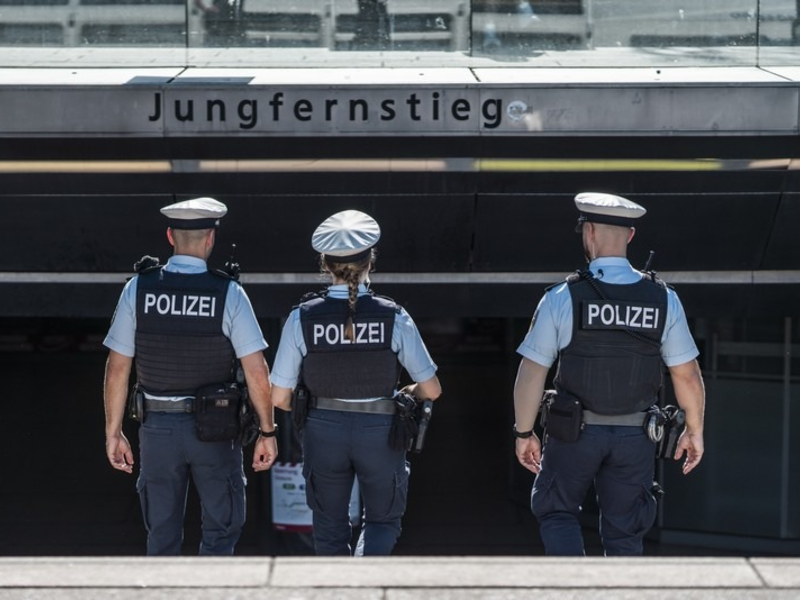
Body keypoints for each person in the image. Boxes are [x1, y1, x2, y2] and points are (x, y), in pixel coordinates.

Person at [513, 192, 705, 556]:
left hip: (573, 435)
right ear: (630, 236)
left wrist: (524, 433)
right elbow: (687, 375)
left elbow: (532, 371)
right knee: (625, 532)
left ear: (588, 233)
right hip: (635, 439)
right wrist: (694, 431)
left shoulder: (562, 297)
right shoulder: (664, 298)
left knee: (557, 513)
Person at [103, 197, 277, 556]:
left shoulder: (139, 288)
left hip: (158, 432)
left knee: (161, 535)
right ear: (210, 239)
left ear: (170, 236)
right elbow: (257, 371)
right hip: (215, 431)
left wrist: (113, 431)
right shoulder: (229, 292)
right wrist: (267, 431)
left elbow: (118, 367)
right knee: (220, 531)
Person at [269, 209, 442, 556]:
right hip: (380, 433)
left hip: (322, 432)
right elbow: (432, 389)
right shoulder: (394, 315)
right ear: (370, 261)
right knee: (382, 522)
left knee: (330, 529)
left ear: (325, 263)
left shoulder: (300, 317)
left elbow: (279, 397)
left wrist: (315, 404)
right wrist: (405, 392)